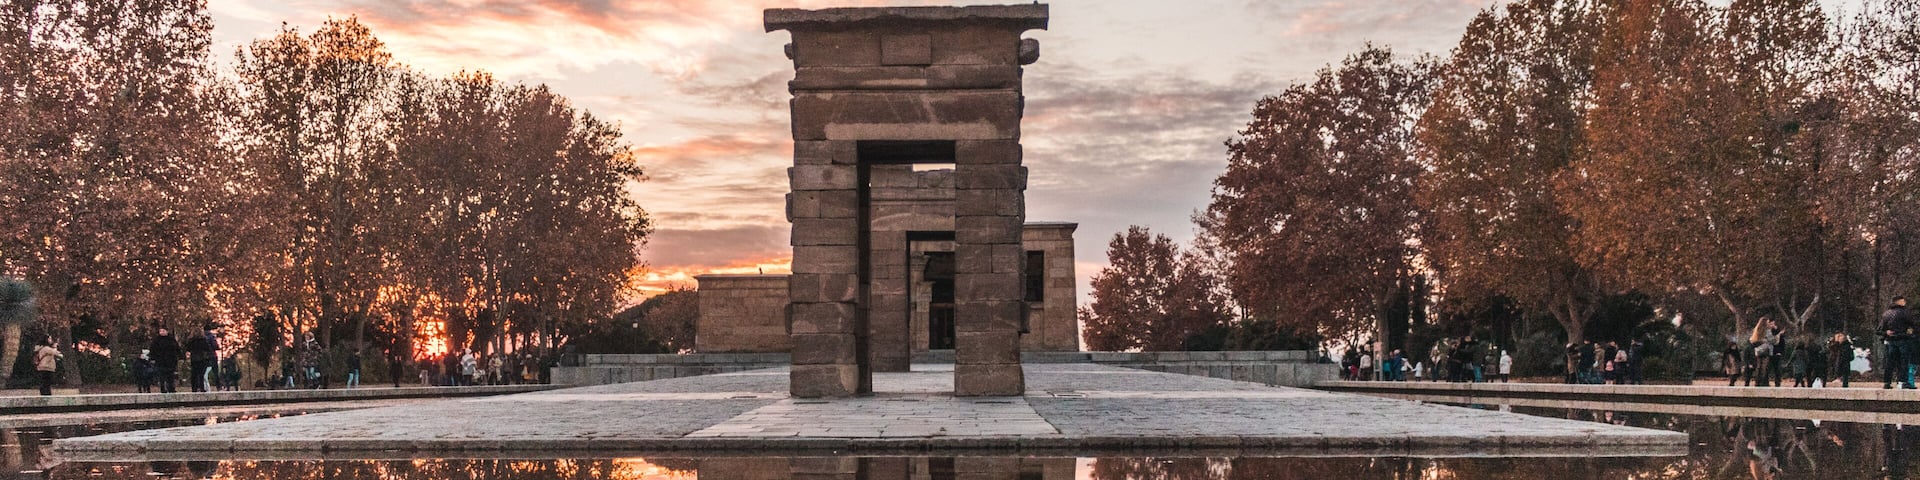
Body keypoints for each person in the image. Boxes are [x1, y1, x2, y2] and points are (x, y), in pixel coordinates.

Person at [1881, 296, 1915, 389]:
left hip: (1891, 341)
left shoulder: (1886, 314)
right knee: (1904, 361)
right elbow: (1913, 324)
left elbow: (1879, 330)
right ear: (1899, 302)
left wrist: (1886, 332)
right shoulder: (1905, 313)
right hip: (1903, 339)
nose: (1905, 302)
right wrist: (1910, 332)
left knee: (1890, 362)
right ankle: (1902, 381)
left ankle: (1887, 382)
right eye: (1903, 300)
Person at [148, 327, 182, 394]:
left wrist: (180, 355)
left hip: (171, 360)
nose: (162, 332)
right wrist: (153, 358)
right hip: (161, 360)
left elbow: (177, 348)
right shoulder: (156, 340)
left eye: (163, 331)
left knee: (170, 375)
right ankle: (163, 388)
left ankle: (171, 388)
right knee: (162, 375)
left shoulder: (171, 339)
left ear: (167, 331)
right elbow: (152, 350)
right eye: (160, 331)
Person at [183, 325, 215, 393]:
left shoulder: (191, 341)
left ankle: (194, 388)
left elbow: (188, 348)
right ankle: (202, 387)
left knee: (194, 374)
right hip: (202, 358)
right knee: (201, 374)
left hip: (194, 359)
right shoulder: (203, 340)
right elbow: (208, 349)